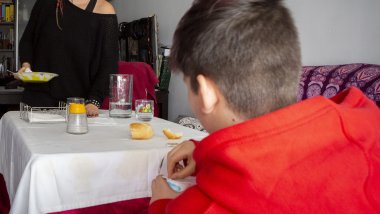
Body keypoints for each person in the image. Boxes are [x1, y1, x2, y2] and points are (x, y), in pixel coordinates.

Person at [149, 0, 380, 213]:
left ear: (207, 93)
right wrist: (203, 151)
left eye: (189, 86)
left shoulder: (200, 206)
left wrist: (161, 203)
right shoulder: (359, 115)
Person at [18, 0, 119, 117]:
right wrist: (26, 65)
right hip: (36, 101)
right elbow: (27, 40)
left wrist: (94, 101)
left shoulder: (104, 10)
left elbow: (108, 64)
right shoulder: (45, 3)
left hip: (77, 106)